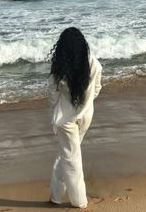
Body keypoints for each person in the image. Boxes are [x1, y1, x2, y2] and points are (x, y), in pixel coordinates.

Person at [47, 27, 102, 208]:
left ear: (61, 48)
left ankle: (80, 202)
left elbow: (52, 98)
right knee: (68, 154)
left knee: (71, 158)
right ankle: (55, 196)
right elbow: (96, 89)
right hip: (86, 115)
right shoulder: (93, 63)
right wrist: (84, 105)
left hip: (65, 120)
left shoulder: (59, 70)